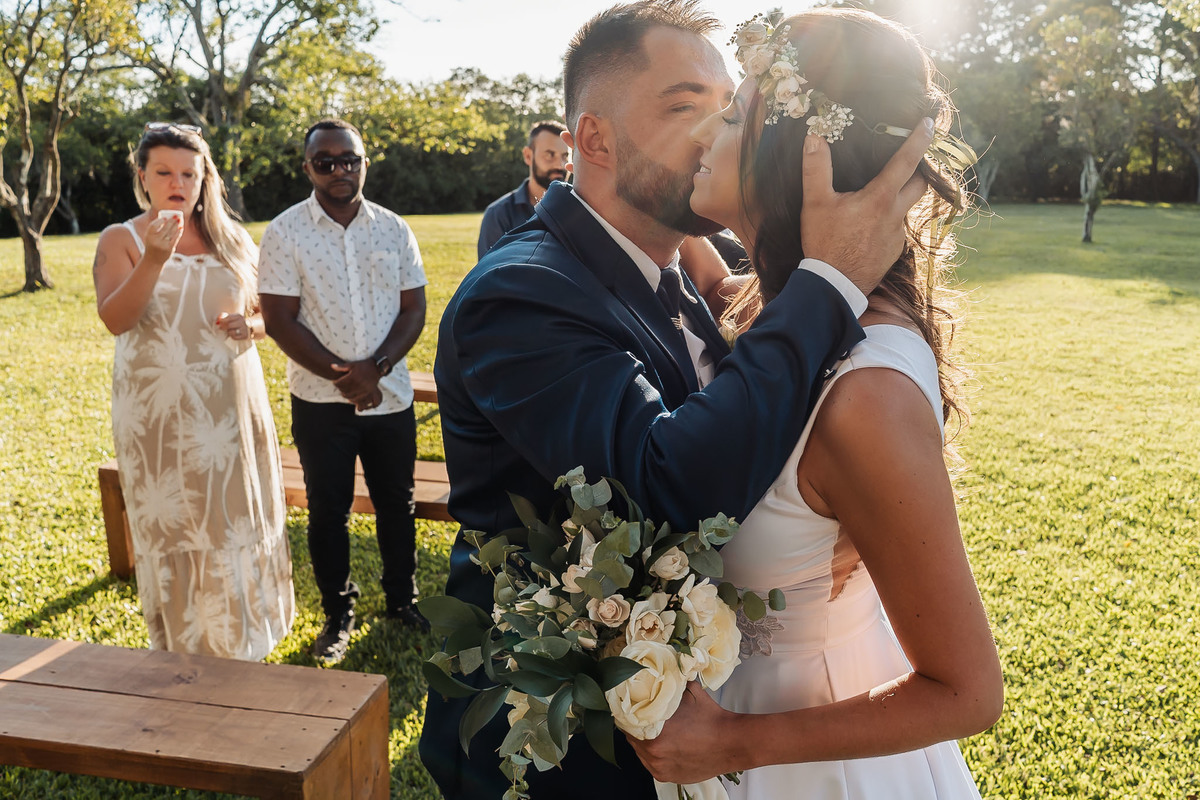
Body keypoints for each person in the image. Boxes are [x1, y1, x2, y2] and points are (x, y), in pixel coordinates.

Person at [419, 1, 935, 797]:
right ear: (594, 140)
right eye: (683, 106)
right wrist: (829, 280)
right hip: (556, 749)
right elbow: (663, 485)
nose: (716, 131)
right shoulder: (519, 294)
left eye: (728, 108)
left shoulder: (683, 271)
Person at [627, 9, 1003, 798]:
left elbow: (969, 692)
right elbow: (715, 288)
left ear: (802, 152)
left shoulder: (867, 393)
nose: (704, 134)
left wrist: (730, 741)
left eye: (733, 115)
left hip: (813, 760)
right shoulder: (787, 310)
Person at [92, 122, 295, 661]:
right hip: (158, 413)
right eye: (163, 172)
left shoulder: (233, 240)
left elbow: (267, 315)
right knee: (177, 524)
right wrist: (155, 257)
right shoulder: (121, 239)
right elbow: (116, 319)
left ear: (206, 178)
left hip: (230, 409)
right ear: (142, 176)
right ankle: (186, 655)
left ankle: (244, 647)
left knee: (234, 515)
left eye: (189, 173)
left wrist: (251, 327)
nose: (177, 183)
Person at [258, 119, 429, 666]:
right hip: (319, 401)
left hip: (390, 395)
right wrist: (344, 376)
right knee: (328, 511)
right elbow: (279, 320)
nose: (339, 170)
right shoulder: (284, 232)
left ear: (364, 163)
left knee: (396, 504)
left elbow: (414, 308)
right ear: (307, 168)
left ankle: (402, 600)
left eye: (349, 159)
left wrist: (375, 369)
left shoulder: (394, 229)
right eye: (325, 162)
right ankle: (338, 612)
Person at [476, 119, 570, 257]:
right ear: (528, 156)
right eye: (550, 154)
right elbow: (488, 269)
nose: (560, 165)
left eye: (565, 156)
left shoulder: (580, 210)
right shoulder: (498, 215)